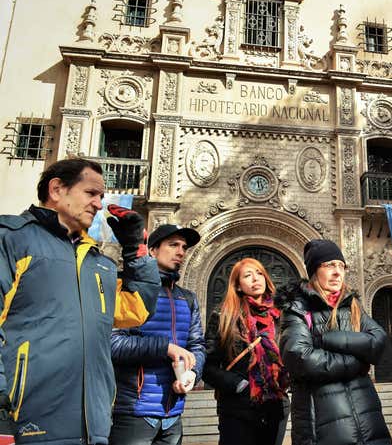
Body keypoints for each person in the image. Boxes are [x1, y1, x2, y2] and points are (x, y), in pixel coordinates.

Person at [0, 158, 160, 443]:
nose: (99, 205)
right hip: (23, 425)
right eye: (91, 193)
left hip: (93, 428)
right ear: (57, 189)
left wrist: (136, 252)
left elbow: (138, 310)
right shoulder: (12, 239)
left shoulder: (100, 264)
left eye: (101, 196)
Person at [277, 239, 391, 445]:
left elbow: (379, 342)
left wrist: (330, 339)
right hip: (322, 425)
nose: (337, 272)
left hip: (367, 418)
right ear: (314, 271)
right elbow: (300, 357)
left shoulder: (353, 305)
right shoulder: (297, 308)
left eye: (341, 265)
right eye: (329, 265)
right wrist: (357, 362)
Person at [110, 224, 206, 444]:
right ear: (152, 250)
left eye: (184, 247)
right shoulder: (127, 289)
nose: (181, 251)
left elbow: (197, 345)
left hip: (174, 416)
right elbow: (112, 343)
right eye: (173, 245)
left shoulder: (188, 298)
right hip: (133, 414)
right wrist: (165, 348)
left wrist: (194, 373)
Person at [203, 258, 289, 445]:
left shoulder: (281, 315)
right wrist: (239, 385)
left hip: (275, 405)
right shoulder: (223, 316)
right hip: (237, 407)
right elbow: (207, 366)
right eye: (248, 276)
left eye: (259, 274)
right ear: (238, 286)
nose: (255, 279)